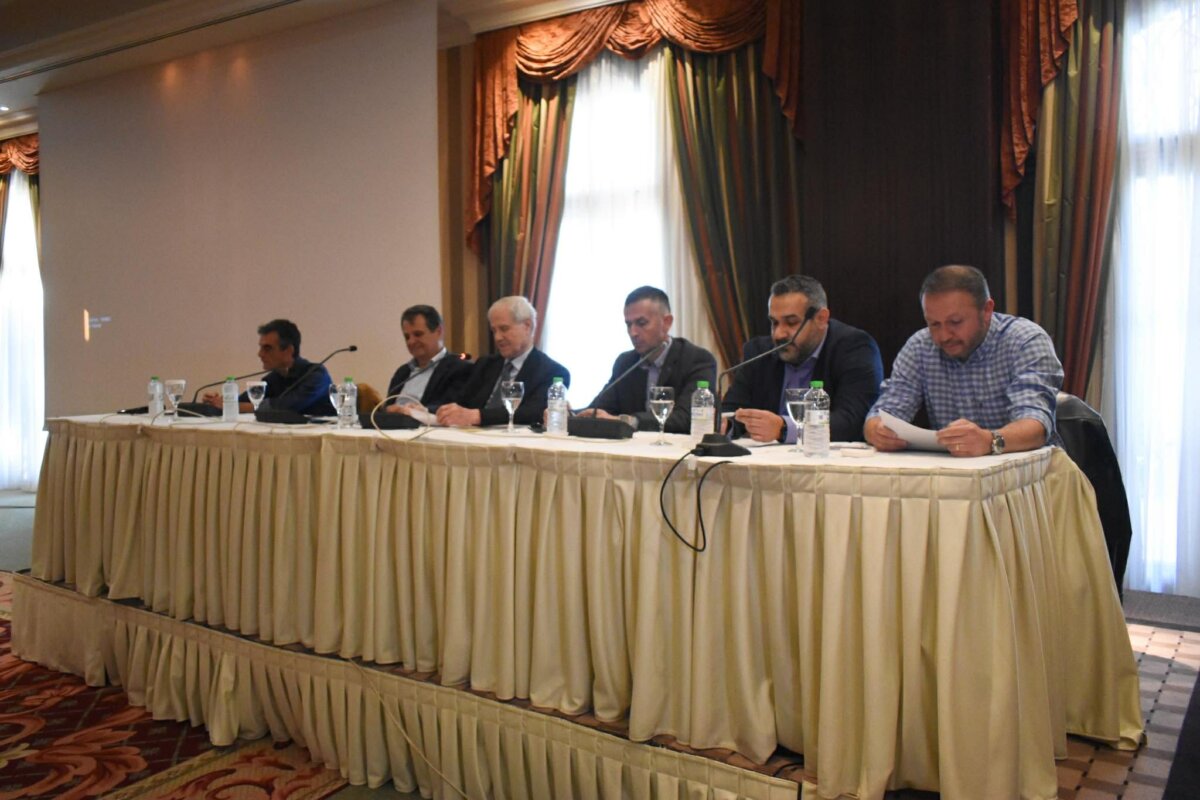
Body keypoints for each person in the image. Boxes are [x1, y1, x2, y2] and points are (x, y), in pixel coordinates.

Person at [864, 264, 1064, 457]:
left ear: (987, 310)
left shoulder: (1025, 341)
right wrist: (877, 431)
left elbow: (1036, 425)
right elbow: (883, 413)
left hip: (1029, 471)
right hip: (955, 472)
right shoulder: (920, 346)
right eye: (934, 324)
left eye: (955, 322)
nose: (944, 336)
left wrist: (989, 441)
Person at [722, 274, 883, 444]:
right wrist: (726, 425)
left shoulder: (854, 348)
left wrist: (784, 428)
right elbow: (733, 411)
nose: (778, 334)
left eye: (791, 323)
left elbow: (852, 421)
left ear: (821, 318)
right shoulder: (758, 351)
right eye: (774, 323)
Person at [578, 286, 717, 433]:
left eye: (641, 323)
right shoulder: (625, 362)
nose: (633, 332)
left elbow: (687, 419)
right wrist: (570, 414)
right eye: (628, 324)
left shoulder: (697, 360)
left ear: (667, 322)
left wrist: (631, 421)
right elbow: (600, 409)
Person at [436, 296, 570, 428]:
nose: (497, 337)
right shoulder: (485, 364)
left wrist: (478, 416)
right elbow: (461, 403)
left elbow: (533, 412)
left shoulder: (553, 372)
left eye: (504, 329)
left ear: (527, 326)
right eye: (494, 331)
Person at [204, 319, 335, 416]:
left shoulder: (316, 375)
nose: (260, 354)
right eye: (261, 348)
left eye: (267, 348)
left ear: (288, 351)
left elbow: (284, 407)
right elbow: (242, 401)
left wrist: (230, 406)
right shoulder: (273, 378)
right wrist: (217, 402)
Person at [384, 305, 473, 415]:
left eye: (418, 334)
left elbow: (452, 408)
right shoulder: (402, 372)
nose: (411, 342)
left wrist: (414, 411)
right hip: (393, 424)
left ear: (439, 331)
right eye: (407, 336)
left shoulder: (460, 368)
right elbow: (386, 406)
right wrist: (388, 410)